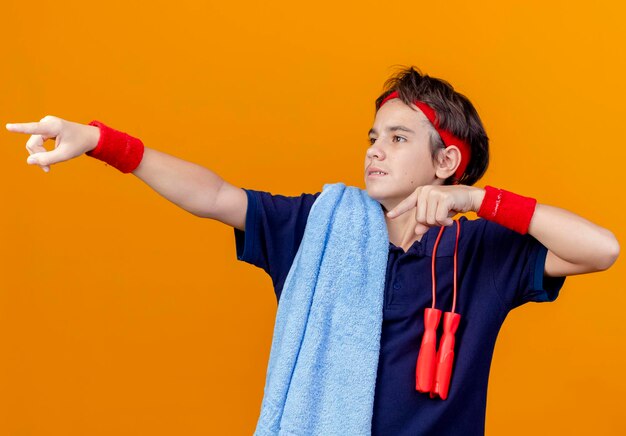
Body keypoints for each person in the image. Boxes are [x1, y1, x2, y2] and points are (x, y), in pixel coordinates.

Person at [6, 66, 620, 435]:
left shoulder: (484, 247)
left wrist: (482, 202)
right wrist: (99, 140)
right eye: (373, 136)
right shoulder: (323, 227)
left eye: (399, 137)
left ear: (447, 160)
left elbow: (602, 248)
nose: (374, 150)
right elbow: (215, 194)